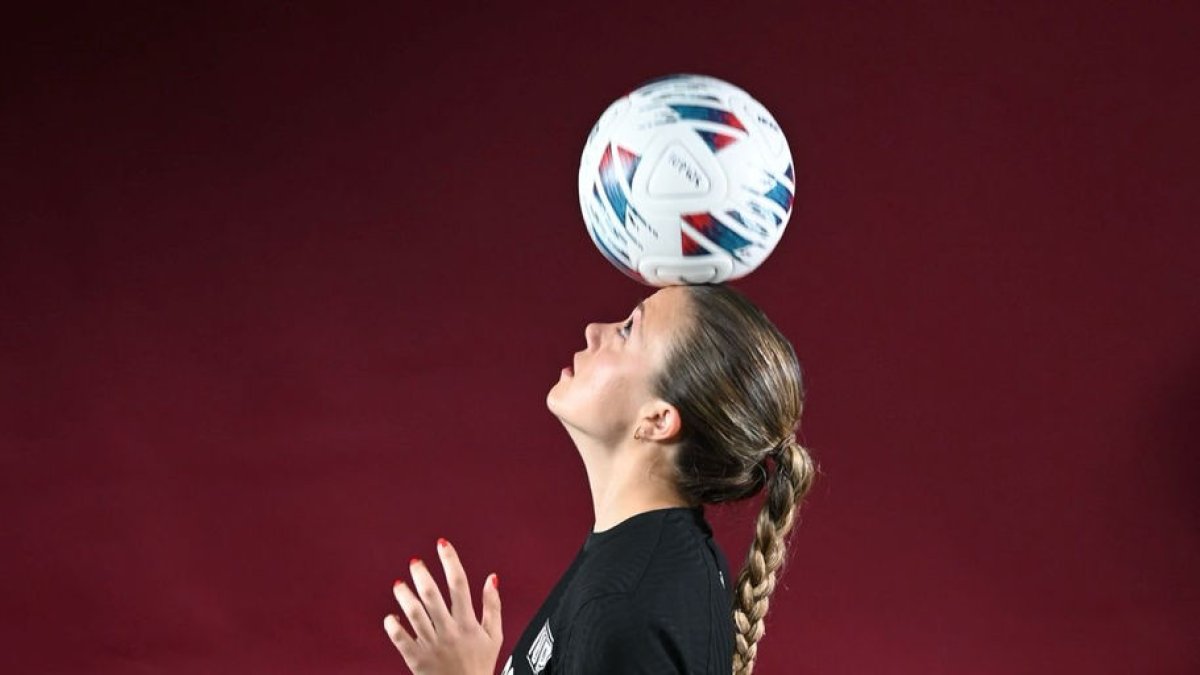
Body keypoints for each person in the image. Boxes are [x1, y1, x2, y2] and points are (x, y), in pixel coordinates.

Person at [384, 283, 818, 674]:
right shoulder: (644, 559)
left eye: (628, 330)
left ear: (657, 419)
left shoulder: (626, 612)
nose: (594, 330)